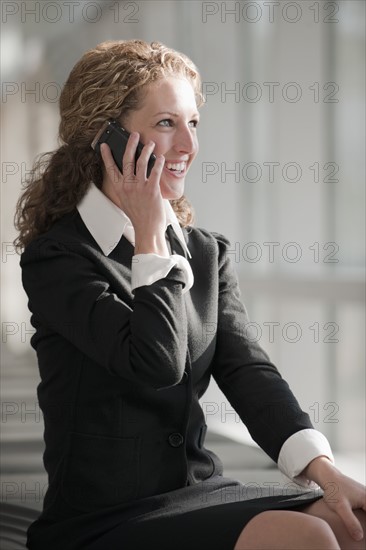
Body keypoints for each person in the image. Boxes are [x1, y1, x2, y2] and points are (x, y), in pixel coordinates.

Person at [15, 39, 365, 550]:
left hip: (202, 490)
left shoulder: (205, 253)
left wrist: (326, 472)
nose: (189, 145)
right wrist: (152, 236)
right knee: (306, 538)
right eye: (165, 124)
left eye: (193, 123)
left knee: (354, 524)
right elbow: (155, 363)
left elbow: (250, 373)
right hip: (105, 518)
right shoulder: (59, 259)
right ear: (106, 137)